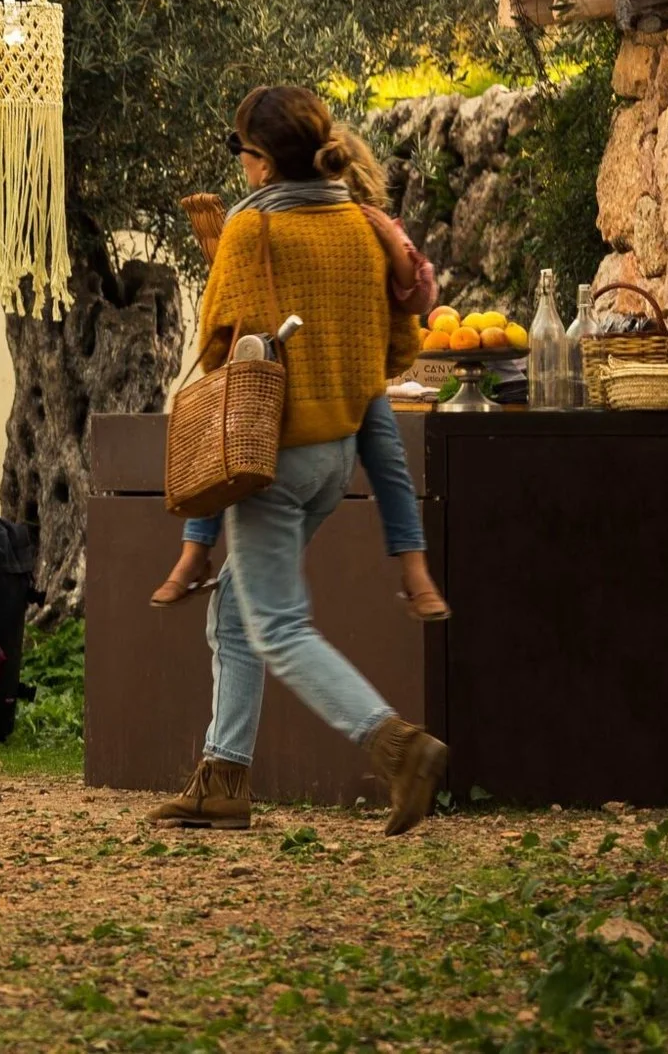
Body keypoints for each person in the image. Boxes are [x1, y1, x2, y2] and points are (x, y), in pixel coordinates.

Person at [151, 86, 448, 835]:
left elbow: (223, 340)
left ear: (259, 162)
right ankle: (223, 777)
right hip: (334, 457)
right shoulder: (359, 222)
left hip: (271, 457)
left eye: (244, 154)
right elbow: (390, 350)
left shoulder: (252, 224)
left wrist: (221, 254)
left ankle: (394, 745)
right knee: (236, 608)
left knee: (279, 624)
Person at [151, 126, 451, 622]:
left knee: (385, 456)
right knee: (227, 429)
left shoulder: (367, 223)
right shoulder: (278, 219)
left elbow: (418, 296)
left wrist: (396, 254)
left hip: (350, 374)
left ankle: (415, 570)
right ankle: (193, 554)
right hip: (299, 370)